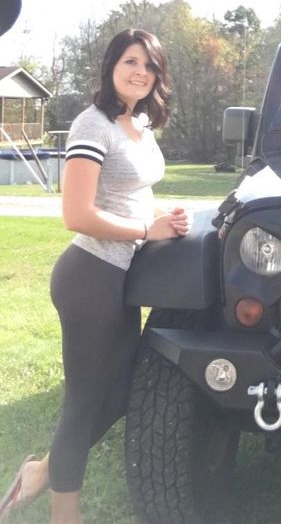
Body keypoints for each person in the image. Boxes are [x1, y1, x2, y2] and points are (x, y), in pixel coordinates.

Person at [0, 28, 191, 524]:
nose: (139, 73)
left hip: (121, 278)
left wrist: (163, 220)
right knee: (84, 401)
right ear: (111, 66)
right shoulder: (93, 124)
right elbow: (77, 214)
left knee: (126, 390)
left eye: (149, 66)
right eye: (130, 61)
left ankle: (41, 471)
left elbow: (131, 192)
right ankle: (66, 516)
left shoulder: (141, 124)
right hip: (90, 277)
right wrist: (144, 230)